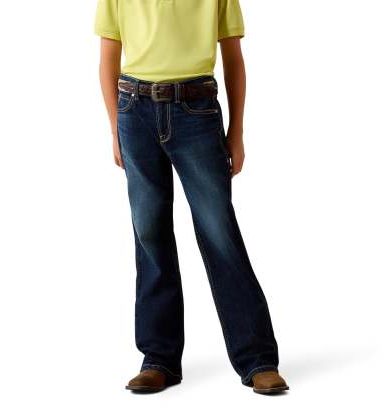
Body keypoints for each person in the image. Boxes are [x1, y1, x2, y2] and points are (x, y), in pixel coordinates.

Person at [94, 0, 289, 394]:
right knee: (149, 234)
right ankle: (158, 358)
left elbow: (233, 58)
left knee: (219, 232)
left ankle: (258, 359)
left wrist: (237, 131)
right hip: (134, 110)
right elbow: (108, 56)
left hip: (196, 110)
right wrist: (115, 128)